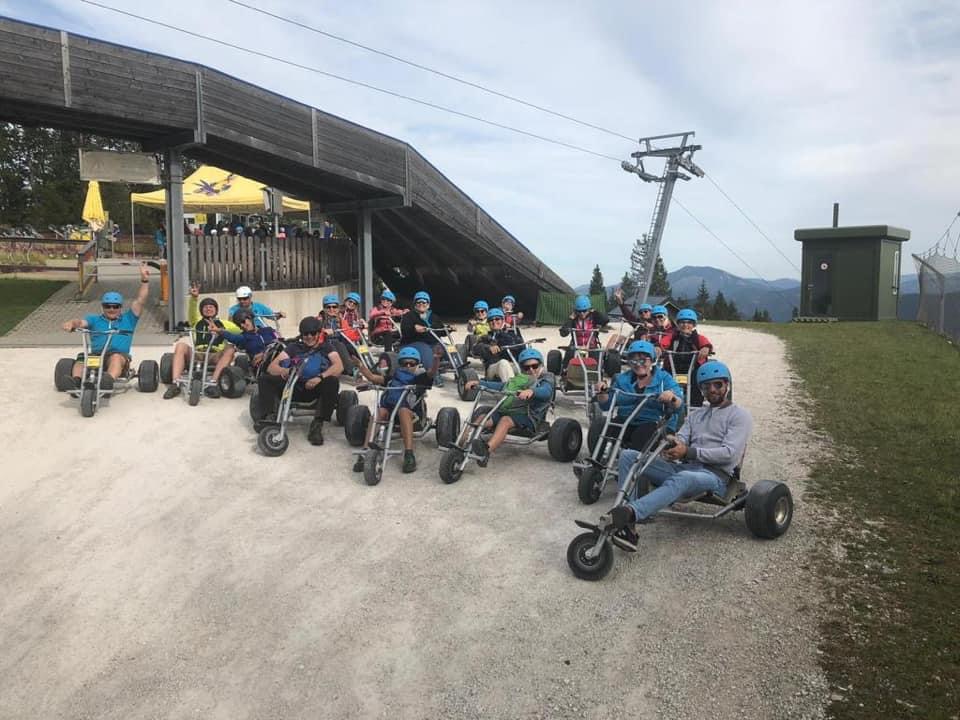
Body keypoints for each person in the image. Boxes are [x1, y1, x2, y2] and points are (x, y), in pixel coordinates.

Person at [605, 361, 752, 550]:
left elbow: (729, 454)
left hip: (715, 477)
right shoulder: (696, 415)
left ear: (727, 385)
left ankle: (630, 512)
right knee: (628, 455)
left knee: (683, 477)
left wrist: (689, 452)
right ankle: (628, 527)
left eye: (717, 385)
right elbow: (682, 437)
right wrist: (672, 443)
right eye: (706, 386)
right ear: (701, 390)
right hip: (684, 468)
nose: (712, 390)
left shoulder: (739, 416)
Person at [352, 344, 442, 474]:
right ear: (400, 364)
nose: (408, 366)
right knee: (379, 412)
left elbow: (432, 372)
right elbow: (372, 377)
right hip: (390, 414)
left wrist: (436, 359)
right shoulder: (392, 378)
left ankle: (409, 454)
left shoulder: (420, 378)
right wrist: (360, 365)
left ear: (417, 364)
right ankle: (365, 450)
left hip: (413, 417)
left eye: (412, 363)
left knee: (403, 410)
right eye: (405, 363)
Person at [61, 262, 150, 388]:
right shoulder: (94, 319)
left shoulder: (128, 319)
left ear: (120, 307)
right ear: (102, 307)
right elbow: (80, 323)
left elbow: (140, 300)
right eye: (108, 306)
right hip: (97, 357)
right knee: (83, 358)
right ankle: (76, 382)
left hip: (118, 357)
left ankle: (107, 381)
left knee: (115, 357)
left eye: (115, 306)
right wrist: (72, 323)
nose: (111, 309)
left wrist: (145, 281)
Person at [257, 316, 344, 445]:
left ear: (318, 333)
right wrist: (285, 371)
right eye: (305, 334)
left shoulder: (327, 348)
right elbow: (271, 367)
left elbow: (339, 366)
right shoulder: (294, 347)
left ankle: (317, 424)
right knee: (265, 379)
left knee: (332, 381)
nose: (309, 337)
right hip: (293, 387)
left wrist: (320, 378)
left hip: (315, 388)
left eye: (312, 333)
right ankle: (269, 418)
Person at [463, 348, 555, 467]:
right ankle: (460, 445)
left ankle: (486, 451)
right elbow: (503, 386)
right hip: (509, 411)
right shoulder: (521, 378)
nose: (531, 370)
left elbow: (546, 391)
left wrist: (532, 391)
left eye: (534, 366)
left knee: (505, 420)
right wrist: (480, 383)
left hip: (529, 416)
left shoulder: (546, 378)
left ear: (540, 364)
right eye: (527, 367)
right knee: (482, 418)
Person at [594, 340, 683, 451]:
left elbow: (679, 406)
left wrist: (671, 397)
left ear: (652, 360)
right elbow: (606, 405)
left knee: (642, 435)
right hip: (627, 420)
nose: (638, 364)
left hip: (655, 422)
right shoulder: (622, 379)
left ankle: (631, 460)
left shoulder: (664, 379)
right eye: (633, 360)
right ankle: (599, 459)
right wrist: (602, 392)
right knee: (607, 432)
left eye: (642, 360)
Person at [162, 285, 241, 399]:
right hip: (197, 353)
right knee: (180, 345)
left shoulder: (225, 324)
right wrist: (194, 298)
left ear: (216, 310)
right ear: (201, 310)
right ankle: (175, 383)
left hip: (215, 355)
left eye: (211, 307)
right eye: (205, 307)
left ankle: (213, 383)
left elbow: (241, 332)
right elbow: (192, 312)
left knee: (231, 348)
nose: (208, 309)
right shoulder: (196, 321)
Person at [661, 308, 713, 407]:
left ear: (694, 325)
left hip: (693, 368)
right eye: (682, 322)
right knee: (663, 378)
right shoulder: (672, 337)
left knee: (697, 381)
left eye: (689, 322)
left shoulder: (698, 338)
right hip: (673, 367)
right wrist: (658, 349)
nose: (685, 325)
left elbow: (706, 344)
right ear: (678, 324)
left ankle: (695, 405)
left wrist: (705, 349)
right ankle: (666, 403)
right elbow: (663, 343)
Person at [399, 290, 447, 385]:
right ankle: (433, 375)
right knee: (425, 349)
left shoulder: (433, 316)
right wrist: (414, 329)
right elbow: (405, 330)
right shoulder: (409, 316)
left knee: (447, 347)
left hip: (432, 342)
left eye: (424, 302)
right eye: (419, 302)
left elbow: (441, 330)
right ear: (415, 304)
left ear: (428, 304)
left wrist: (449, 329)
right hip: (413, 343)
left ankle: (460, 369)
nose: (421, 304)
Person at [218, 308, 279, 372]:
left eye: (243, 321)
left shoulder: (268, 330)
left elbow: (279, 342)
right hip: (261, 366)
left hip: (277, 357)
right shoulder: (243, 337)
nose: (242, 325)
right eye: (239, 324)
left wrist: (265, 353)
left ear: (250, 318)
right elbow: (232, 337)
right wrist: (219, 330)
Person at [558, 294, 608, 372]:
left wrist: (595, 312)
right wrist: (570, 319)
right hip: (576, 346)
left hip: (591, 347)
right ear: (576, 311)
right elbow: (563, 333)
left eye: (584, 311)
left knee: (597, 364)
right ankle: (566, 373)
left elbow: (605, 320)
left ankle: (597, 375)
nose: (582, 313)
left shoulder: (594, 317)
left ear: (589, 310)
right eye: (579, 311)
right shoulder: (574, 319)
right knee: (568, 358)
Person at [472, 308, 522, 382]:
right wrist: (489, 347)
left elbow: (522, 347)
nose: (494, 322)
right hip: (493, 369)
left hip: (513, 365)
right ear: (488, 323)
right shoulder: (486, 337)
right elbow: (475, 349)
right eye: (491, 320)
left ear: (503, 320)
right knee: (503, 363)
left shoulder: (512, 334)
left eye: (497, 319)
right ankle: (511, 388)